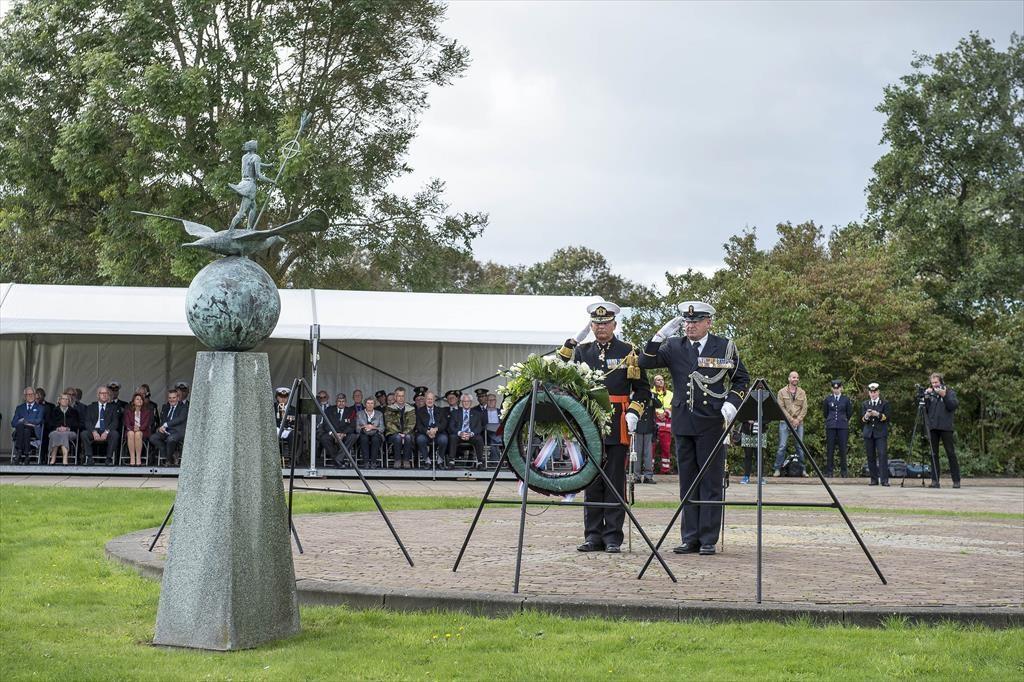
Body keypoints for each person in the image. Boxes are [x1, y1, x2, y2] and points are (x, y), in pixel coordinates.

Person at [638, 300, 749, 556]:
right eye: (687, 322)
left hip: (712, 421)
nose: (690, 326)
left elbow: (742, 379)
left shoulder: (724, 346)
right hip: (683, 421)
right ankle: (690, 537)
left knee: (710, 481)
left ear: (708, 322)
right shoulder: (674, 346)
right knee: (687, 481)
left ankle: (708, 537)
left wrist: (732, 402)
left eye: (695, 321)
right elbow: (645, 362)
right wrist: (659, 336)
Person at [560, 300, 651, 555]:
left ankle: (613, 536)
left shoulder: (629, 351)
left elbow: (643, 390)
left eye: (605, 323)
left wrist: (634, 412)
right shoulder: (582, 352)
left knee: (614, 480)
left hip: (617, 423)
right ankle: (592, 536)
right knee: (591, 480)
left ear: (614, 324)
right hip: (589, 423)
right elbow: (566, 381)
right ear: (592, 325)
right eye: (597, 324)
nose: (601, 328)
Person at [228, 139, 276, 231]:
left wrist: (268, 165)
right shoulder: (256, 157)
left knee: (253, 207)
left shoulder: (245, 157)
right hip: (250, 186)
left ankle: (249, 228)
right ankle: (230, 230)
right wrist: (272, 181)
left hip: (243, 182)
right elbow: (258, 175)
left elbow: (253, 164)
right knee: (241, 212)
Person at [924, 372, 960, 489]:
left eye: (936, 382)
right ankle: (935, 480)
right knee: (933, 454)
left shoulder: (950, 392)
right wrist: (926, 397)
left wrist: (944, 396)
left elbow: (953, 406)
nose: (934, 385)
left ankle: (956, 480)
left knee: (950, 453)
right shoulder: (931, 394)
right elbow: (927, 409)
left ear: (941, 382)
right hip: (933, 427)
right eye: (933, 383)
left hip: (946, 427)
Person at [774, 371, 807, 476]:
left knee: (800, 446)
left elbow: (805, 408)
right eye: (793, 377)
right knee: (782, 446)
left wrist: (798, 419)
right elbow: (781, 407)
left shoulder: (802, 392)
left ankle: (803, 470)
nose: (795, 379)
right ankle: (777, 469)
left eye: (797, 377)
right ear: (789, 379)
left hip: (799, 422)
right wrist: (791, 420)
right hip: (785, 422)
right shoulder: (781, 392)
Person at [81, 386, 121, 466]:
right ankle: (89, 458)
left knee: (115, 434)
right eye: (102, 393)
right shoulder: (90, 407)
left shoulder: (113, 407)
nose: (104, 395)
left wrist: (106, 432)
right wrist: (94, 432)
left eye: (106, 393)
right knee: (84, 434)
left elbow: (115, 422)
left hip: (106, 430)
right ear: (98, 395)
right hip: (94, 430)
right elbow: (87, 422)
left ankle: (109, 459)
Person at [861, 382, 890, 486]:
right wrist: (867, 415)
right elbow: (863, 420)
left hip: (880, 433)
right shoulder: (865, 404)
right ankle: (873, 479)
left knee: (882, 455)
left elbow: (887, 417)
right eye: (871, 392)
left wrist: (878, 414)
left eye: (875, 392)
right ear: (869, 393)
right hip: (869, 433)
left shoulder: (884, 403)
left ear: (878, 392)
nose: (873, 394)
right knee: (870, 456)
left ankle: (884, 480)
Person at [823, 379, 853, 477]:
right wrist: (830, 420)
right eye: (834, 388)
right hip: (831, 426)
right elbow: (825, 413)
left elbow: (849, 413)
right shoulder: (828, 399)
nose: (836, 390)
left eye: (838, 388)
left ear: (841, 388)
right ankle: (829, 472)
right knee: (830, 449)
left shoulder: (846, 399)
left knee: (843, 449)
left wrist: (843, 420)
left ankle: (844, 472)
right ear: (832, 388)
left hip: (842, 426)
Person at [150, 389, 188, 466]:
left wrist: (166, 425)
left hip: (178, 432)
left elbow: (180, 419)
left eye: (174, 397)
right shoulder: (165, 407)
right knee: (153, 438)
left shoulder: (184, 407)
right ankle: (170, 454)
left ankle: (168, 460)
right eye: (170, 398)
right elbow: (162, 419)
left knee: (171, 439)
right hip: (166, 431)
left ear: (178, 398)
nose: (172, 400)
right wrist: (161, 427)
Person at [448, 393, 486, 469]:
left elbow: (479, 427)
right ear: (461, 402)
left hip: (471, 435)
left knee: (479, 438)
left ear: (471, 402)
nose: (466, 403)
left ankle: (480, 462)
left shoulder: (477, 413)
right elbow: (451, 426)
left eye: (468, 401)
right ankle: (451, 461)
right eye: (464, 401)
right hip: (459, 435)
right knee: (452, 437)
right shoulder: (455, 413)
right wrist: (460, 433)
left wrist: (470, 434)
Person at [319, 393, 358, 467]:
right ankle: (339, 460)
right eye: (339, 401)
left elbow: (352, 425)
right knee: (324, 438)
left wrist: (343, 434)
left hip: (345, 434)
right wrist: (334, 434)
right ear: (336, 402)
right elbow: (325, 424)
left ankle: (337, 459)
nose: (341, 403)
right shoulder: (329, 410)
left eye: (343, 401)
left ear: (345, 402)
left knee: (353, 436)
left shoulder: (351, 411)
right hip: (333, 433)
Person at [415, 391, 449, 468]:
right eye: (428, 399)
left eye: (431, 399)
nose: (429, 401)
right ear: (425, 400)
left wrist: (436, 429)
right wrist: (427, 431)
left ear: (434, 400)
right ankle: (427, 461)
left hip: (438, 433)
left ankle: (440, 461)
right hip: (425, 433)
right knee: (420, 439)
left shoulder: (441, 410)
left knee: (444, 439)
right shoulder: (419, 411)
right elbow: (418, 425)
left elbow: (444, 423)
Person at [45, 393, 81, 465]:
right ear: (59, 401)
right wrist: (57, 428)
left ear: (69, 401)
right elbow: (49, 423)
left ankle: (65, 457)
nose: (64, 400)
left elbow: (77, 424)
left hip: (70, 432)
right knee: (55, 434)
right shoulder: (54, 411)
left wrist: (67, 428)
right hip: (56, 431)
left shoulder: (74, 411)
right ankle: (53, 457)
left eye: (66, 399)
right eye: (63, 399)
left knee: (64, 435)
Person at [385, 387, 416, 468]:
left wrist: (404, 433)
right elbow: (389, 423)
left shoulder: (411, 408)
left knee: (408, 437)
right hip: (393, 434)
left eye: (402, 396)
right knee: (398, 437)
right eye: (399, 396)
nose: (401, 398)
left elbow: (412, 423)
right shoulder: (389, 408)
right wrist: (398, 433)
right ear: (395, 397)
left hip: (407, 433)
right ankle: (397, 460)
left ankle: (406, 460)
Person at [11, 387, 43, 464]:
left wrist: (24, 421)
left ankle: (19, 451)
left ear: (35, 395)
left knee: (22, 426)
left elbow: (38, 420)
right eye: (28, 394)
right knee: (25, 430)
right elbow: (13, 423)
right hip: (23, 431)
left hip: (34, 431)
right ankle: (26, 454)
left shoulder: (40, 408)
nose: (30, 396)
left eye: (32, 394)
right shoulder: (19, 408)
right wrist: (26, 423)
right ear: (24, 396)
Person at [123, 392, 154, 466]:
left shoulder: (147, 412)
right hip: (131, 431)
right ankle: (132, 458)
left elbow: (146, 424)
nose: (139, 400)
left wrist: (139, 428)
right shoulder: (128, 412)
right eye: (137, 399)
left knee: (137, 434)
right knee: (130, 433)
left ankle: (138, 458)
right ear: (133, 401)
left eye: (141, 399)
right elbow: (127, 423)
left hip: (143, 432)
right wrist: (133, 428)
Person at [357, 398, 385, 467]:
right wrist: (365, 426)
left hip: (376, 434)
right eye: (368, 403)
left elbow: (382, 428)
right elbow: (357, 428)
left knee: (375, 439)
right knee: (364, 439)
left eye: (372, 403)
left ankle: (373, 462)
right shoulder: (359, 414)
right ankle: (366, 462)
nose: (370, 405)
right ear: (365, 404)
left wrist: (373, 427)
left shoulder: (379, 414)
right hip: (363, 433)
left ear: (374, 405)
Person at [737, 419, 766, 484]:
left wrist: (758, 420)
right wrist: (747, 420)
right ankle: (746, 476)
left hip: (760, 432)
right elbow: (740, 415)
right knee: (747, 456)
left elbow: (768, 417)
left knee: (759, 456)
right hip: (747, 432)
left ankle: (760, 477)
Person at [273, 387, 296, 464]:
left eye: (285, 397)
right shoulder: (272, 408)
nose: (283, 399)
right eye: (281, 397)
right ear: (277, 397)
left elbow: (298, 422)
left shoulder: (293, 409)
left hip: (287, 430)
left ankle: (292, 459)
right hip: (276, 429)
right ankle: (275, 459)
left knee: (294, 435)